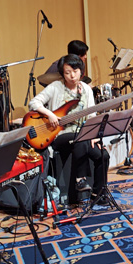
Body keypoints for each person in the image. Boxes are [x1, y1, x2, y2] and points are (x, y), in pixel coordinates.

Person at [28, 53, 107, 207]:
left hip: (82, 134)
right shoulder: (55, 87)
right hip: (59, 135)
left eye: (75, 71)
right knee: (79, 137)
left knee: (103, 155)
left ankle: (98, 193)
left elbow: (91, 116)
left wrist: (94, 135)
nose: (72, 76)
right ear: (62, 74)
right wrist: (50, 114)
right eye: (67, 72)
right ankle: (80, 180)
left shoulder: (86, 89)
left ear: (81, 71)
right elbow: (34, 102)